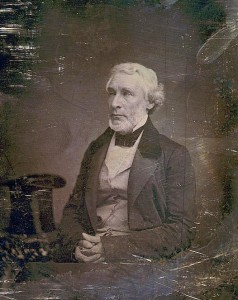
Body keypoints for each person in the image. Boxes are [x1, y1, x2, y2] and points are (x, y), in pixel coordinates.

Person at [53, 62, 196, 263]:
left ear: (150, 102)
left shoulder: (174, 155)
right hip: (86, 258)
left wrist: (111, 249)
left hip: (138, 262)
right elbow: (73, 209)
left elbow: (181, 230)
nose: (114, 103)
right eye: (112, 93)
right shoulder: (96, 148)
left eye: (127, 93)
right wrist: (77, 245)